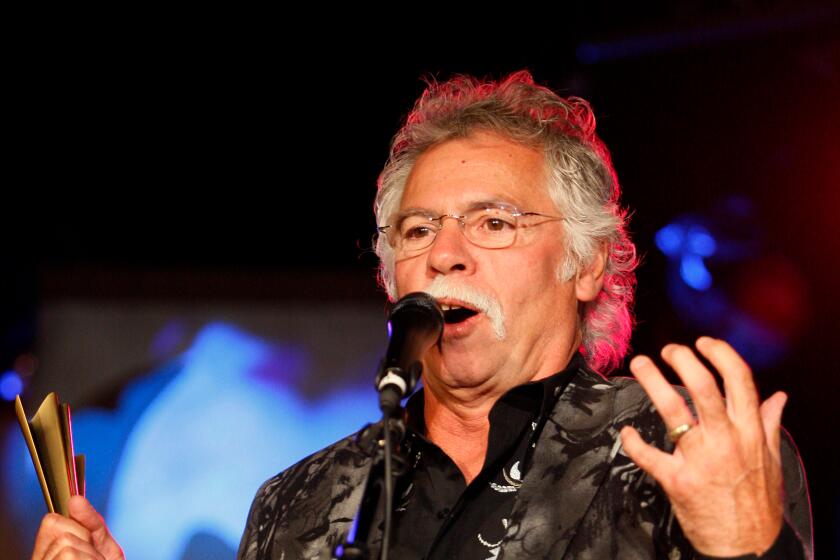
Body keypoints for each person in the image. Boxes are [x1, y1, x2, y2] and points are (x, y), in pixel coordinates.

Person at [31, 71, 812, 559]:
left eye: (494, 222)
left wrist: (748, 550)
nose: (445, 254)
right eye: (416, 230)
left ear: (585, 262)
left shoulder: (683, 454)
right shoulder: (297, 505)